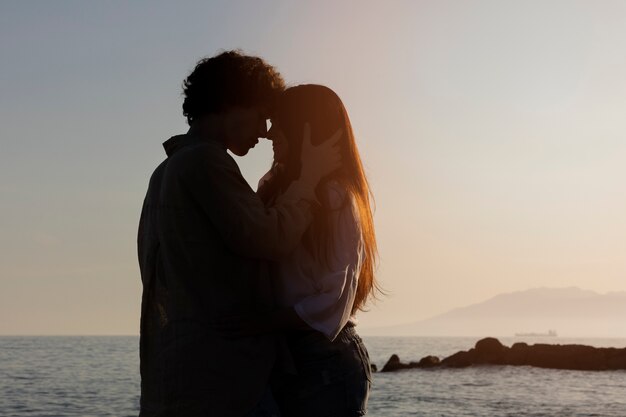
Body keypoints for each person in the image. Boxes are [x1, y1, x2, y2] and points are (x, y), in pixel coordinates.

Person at [137, 52, 341, 417]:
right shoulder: (205, 162)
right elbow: (269, 239)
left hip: (182, 369)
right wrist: (308, 179)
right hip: (223, 377)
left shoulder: (165, 171)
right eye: (261, 115)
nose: (265, 132)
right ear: (232, 104)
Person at [258, 84, 379, 417]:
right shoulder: (271, 188)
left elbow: (333, 299)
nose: (269, 134)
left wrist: (262, 323)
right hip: (287, 358)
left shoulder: (336, 197)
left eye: (278, 122)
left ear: (306, 127)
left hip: (324, 360)